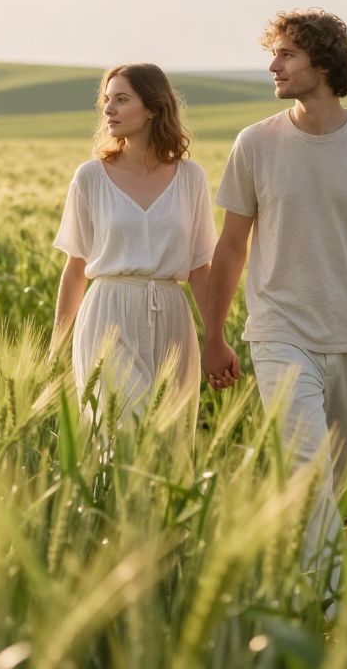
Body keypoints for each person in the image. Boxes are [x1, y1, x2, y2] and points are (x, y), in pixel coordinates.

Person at [201, 9, 347, 597]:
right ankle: (328, 609)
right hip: (279, 332)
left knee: (332, 484)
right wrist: (213, 334)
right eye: (273, 54)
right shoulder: (255, 143)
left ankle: (292, 592)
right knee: (305, 469)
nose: (273, 66)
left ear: (322, 64)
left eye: (286, 54)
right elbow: (231, 245)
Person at [52, 63, 217, 438]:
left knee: (169, 442)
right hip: (108, 315)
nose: (108, 109)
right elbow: (76, 267)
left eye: (122, 100)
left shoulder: (191, 178)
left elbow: (199, 268)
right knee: (122, 436)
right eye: (106, 100)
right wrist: (56, 345)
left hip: (172, 319)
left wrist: (215, 338)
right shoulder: (90, 177)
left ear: (153, 108)